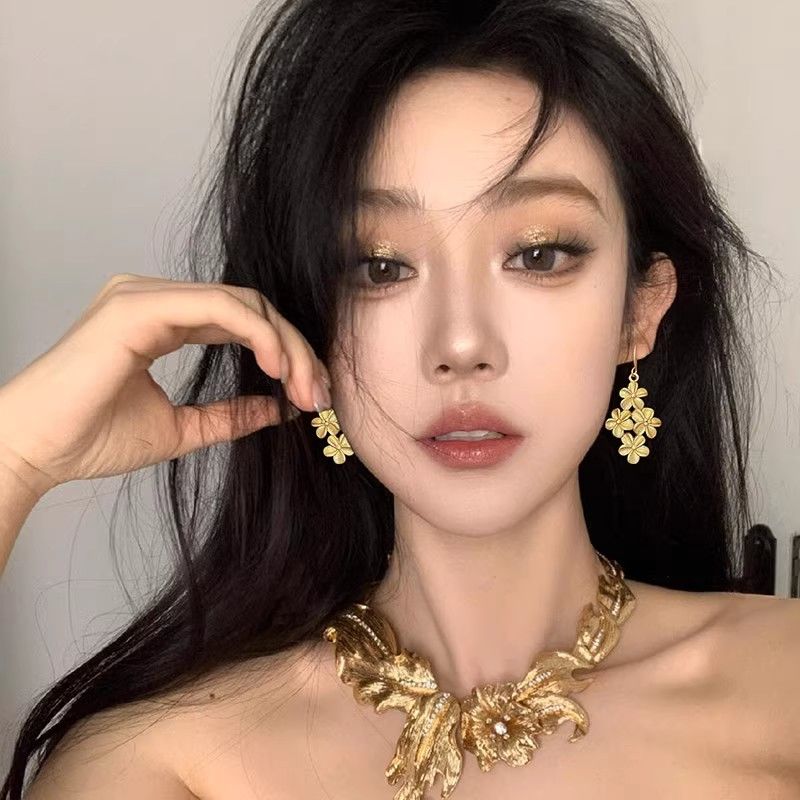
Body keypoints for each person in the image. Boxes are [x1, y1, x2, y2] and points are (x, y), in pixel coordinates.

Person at [1, 0, 798, 797]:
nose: (461, 343)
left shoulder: (780, 689)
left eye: (539, 254)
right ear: (308, 326)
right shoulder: (167, 763)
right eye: (380, 267)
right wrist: (14, 458)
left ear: (640, 310)